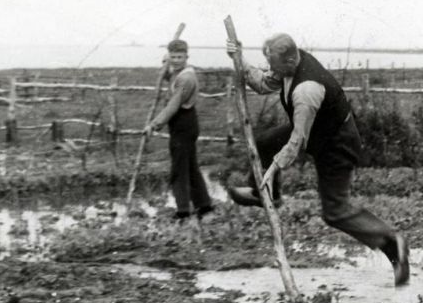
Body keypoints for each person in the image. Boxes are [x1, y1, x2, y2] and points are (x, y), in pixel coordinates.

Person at [226, 33, 409, 286]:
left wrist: (271, 170)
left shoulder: (306, 90)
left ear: (291, 60)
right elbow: (264, 83)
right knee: (265, 143)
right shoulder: (289, 63)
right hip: (319, 133)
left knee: (335, 211)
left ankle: (390, 241)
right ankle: (268, 195)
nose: (272, 71)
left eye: (275, 66)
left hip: (336, 144)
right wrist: (239, 58)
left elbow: (296, 142)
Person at [148, 39, 214, 220]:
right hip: (184, 123)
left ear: (187, 57)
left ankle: (183, 211)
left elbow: (173, 105)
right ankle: (204, 206)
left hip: (183, 123)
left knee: (179, 169)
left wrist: (155, 124)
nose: (176, 60)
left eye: (180, 57)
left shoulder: (186, 78)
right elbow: (172, 77)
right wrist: (166, 68)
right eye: (173, 56)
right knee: (191, 167)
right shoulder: (179, 72)